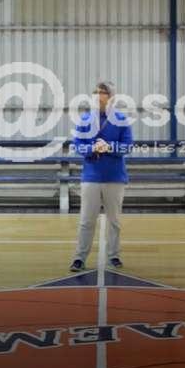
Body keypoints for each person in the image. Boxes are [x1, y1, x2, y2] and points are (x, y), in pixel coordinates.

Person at [70, 81, 133, 272]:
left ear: (111, 96)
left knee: (114, 221)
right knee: (86, 220)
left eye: (103, 92)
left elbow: (128, 146)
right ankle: (79, 258)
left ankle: (114, 256)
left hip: (115, 177)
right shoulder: (85, 119)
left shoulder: (121, 119)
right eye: (96, 92)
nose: (98, 95)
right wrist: (92, 148)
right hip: (91, 177)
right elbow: (77, 145)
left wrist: (109, 147)